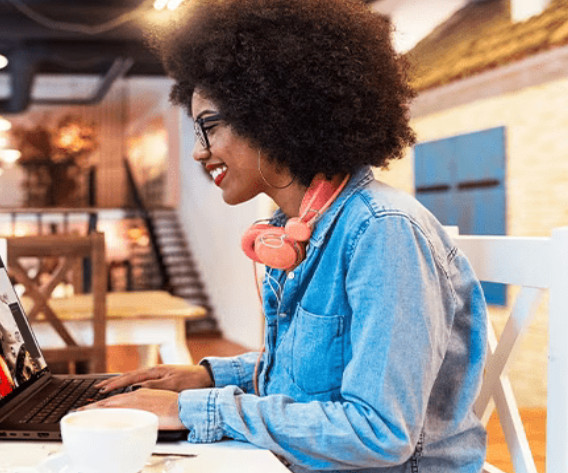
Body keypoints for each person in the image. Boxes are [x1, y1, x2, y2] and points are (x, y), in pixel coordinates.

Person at [84, 0, 489, 471]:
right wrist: (205, 377)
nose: (199, 153)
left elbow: (379, 433)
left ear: (275, 114)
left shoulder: (384, 233)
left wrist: (187, 410)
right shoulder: (298, 230)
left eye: (209, 127)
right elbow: (317, 372)